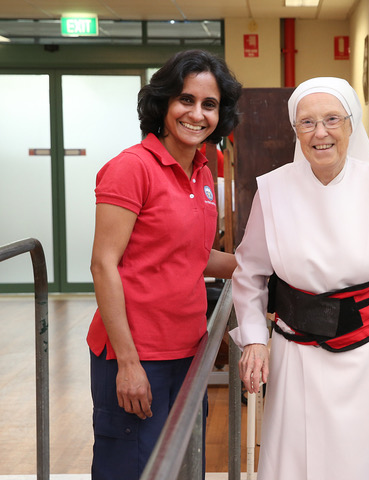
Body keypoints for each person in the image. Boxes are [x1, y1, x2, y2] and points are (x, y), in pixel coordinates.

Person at [231, 76, 369, 480]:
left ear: (351, 124)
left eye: (332, 119)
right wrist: (254, 341)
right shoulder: (273, 191)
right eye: (307, 122)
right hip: (299, 352)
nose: (321, 133)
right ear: (295, 131)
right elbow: (250, 275)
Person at [87, 49, 241, 480]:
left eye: (209, 104)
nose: (197, 114)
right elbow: (104, 264)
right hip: (137, 355)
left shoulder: (202, 173)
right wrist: (128, 363)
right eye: (185, 100)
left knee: (182, 467)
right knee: (134, 470)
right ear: (163, 104)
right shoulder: (131, 169)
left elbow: (193, 255)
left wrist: (266, 265)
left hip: (188, 352)